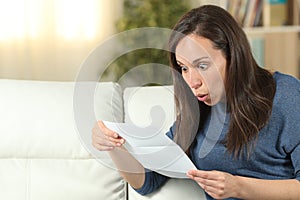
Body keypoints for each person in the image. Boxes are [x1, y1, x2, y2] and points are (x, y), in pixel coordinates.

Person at [92, 5, 300, 200]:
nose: (193, 81)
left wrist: (238, 187)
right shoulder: (197, 112)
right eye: (184, 68)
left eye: (202, 65)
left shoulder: (286, 95)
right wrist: (113, 146)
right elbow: (148, 181)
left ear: (233, 56)